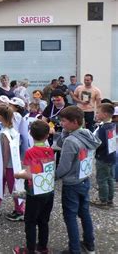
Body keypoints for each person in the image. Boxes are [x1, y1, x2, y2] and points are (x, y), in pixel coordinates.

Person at [56, 106, 101, 254]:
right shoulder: (87, 133)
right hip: (84, 180)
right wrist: (64, 131)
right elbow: (62, 143)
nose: (61, 123)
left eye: (64, 121)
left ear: (75, 122)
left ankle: (74, 249)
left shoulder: (71, 141)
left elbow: (63, 167)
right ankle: (90, 244)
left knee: (70, 216)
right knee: (84, 213)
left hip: (71, 184)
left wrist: (51, 178)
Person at [13, 120, 55, 254]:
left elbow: (29, 174)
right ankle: (43, 247)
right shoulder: (50, 150)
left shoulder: (30, 152)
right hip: (48, 190)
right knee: (43, 220)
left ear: (30, 134)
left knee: (30, 221)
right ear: (47, 135)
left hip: (34, 192)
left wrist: (17, 175)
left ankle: (29, 249)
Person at [90, 103, 116, 208]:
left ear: (104, 114)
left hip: (103, 157)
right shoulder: (113, 125)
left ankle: (103, 200)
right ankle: (110, 199)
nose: (96, 114)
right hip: (111, 156)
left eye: (98, 112)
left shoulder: (102, 129)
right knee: (110, 178)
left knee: (102, 179)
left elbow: (99, 143)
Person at [41, 90, 70, 163]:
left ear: (63, 98)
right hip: (51, 135)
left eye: (58, 99)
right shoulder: (50, 107)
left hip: (65, 135)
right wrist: (49, 127)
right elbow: (43, 120)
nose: (56, 102)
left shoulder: (69, 107)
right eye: (53, 100)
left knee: (61, 158)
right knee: (48, 156)